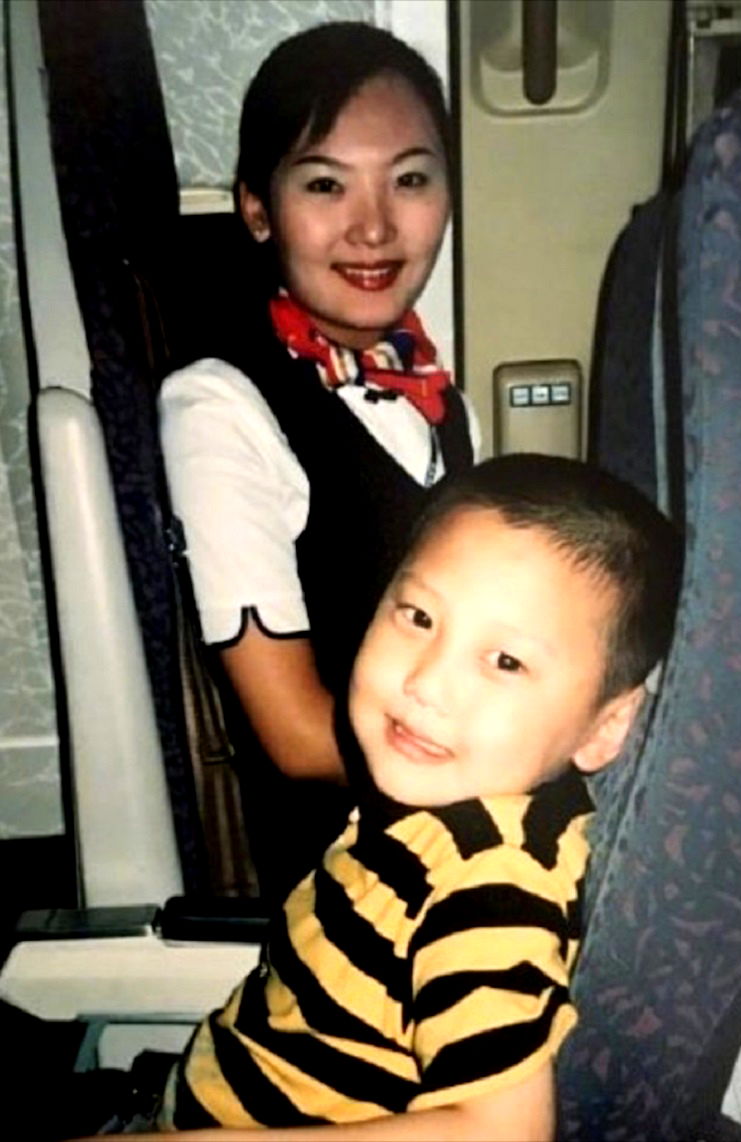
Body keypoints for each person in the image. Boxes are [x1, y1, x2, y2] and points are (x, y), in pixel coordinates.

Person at [94, 452, 683, 1141]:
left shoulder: (488, 885)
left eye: (505, 661)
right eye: (418, 616)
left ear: (605, 725)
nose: (427, 681)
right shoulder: (432, 812)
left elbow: (503, 1132)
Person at [159, 22, 479, 901]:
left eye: (410, 179)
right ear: (258, 208)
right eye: (326, 184)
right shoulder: (221, 407)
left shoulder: (437, 393)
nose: (373, 227)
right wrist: (515, 760)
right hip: (344, 870)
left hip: (450, 808)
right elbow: (298, 737)